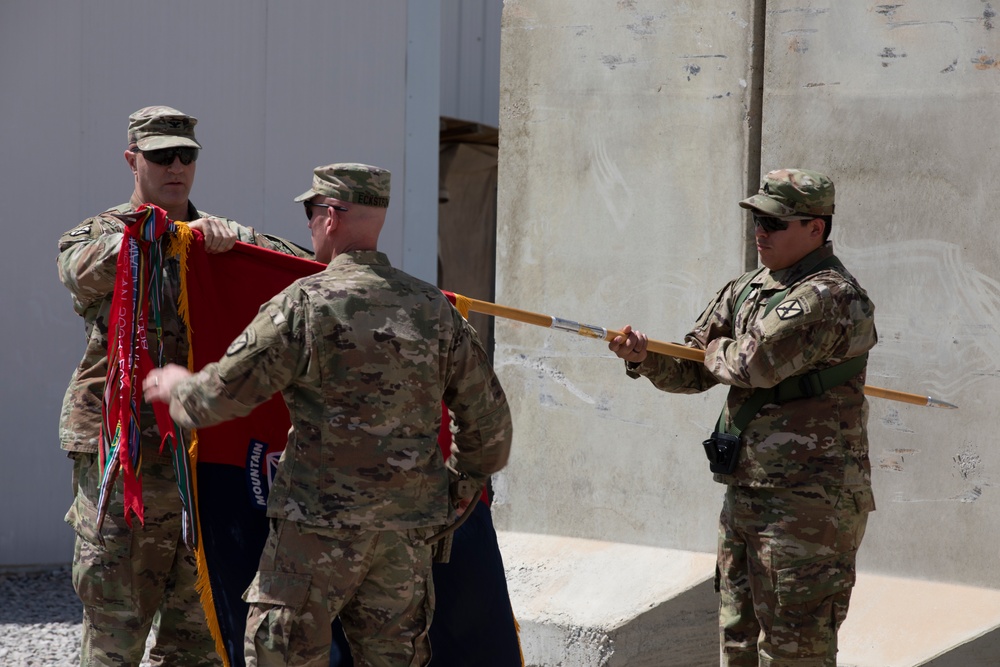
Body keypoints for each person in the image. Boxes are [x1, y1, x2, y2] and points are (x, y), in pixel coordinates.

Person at [142, 163, 513, 666]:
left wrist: (177, 386)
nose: (310, 225)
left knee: (280, 653)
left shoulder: (303, 304)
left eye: (311, 212)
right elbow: (490, 429)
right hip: (405, 537)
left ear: (332, 216)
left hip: (317, 532)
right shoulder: (434, 308)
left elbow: (220, 399)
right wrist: (456, 492)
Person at [57, 105, 311, 666]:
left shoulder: (220, 234)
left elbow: (297, 275)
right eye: (160, 155)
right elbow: (80, 271)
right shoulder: (102, 233)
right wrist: (164, 236)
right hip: (125, 452)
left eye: (186, 155)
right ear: (132, 159)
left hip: (203, 452)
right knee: (116, 616)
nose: (175, 166)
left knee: (199, 630)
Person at [609, 169, 877, 666]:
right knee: (737, 641)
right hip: (748, 490)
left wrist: (715, 352)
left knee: (794, 651)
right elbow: (696, 365)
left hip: (810, 503)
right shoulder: (751, 286)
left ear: (816, 228)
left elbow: (751, 364)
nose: (760, 232)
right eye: (756, 220)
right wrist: (646, 358)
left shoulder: (830, 296)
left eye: (774, 222)